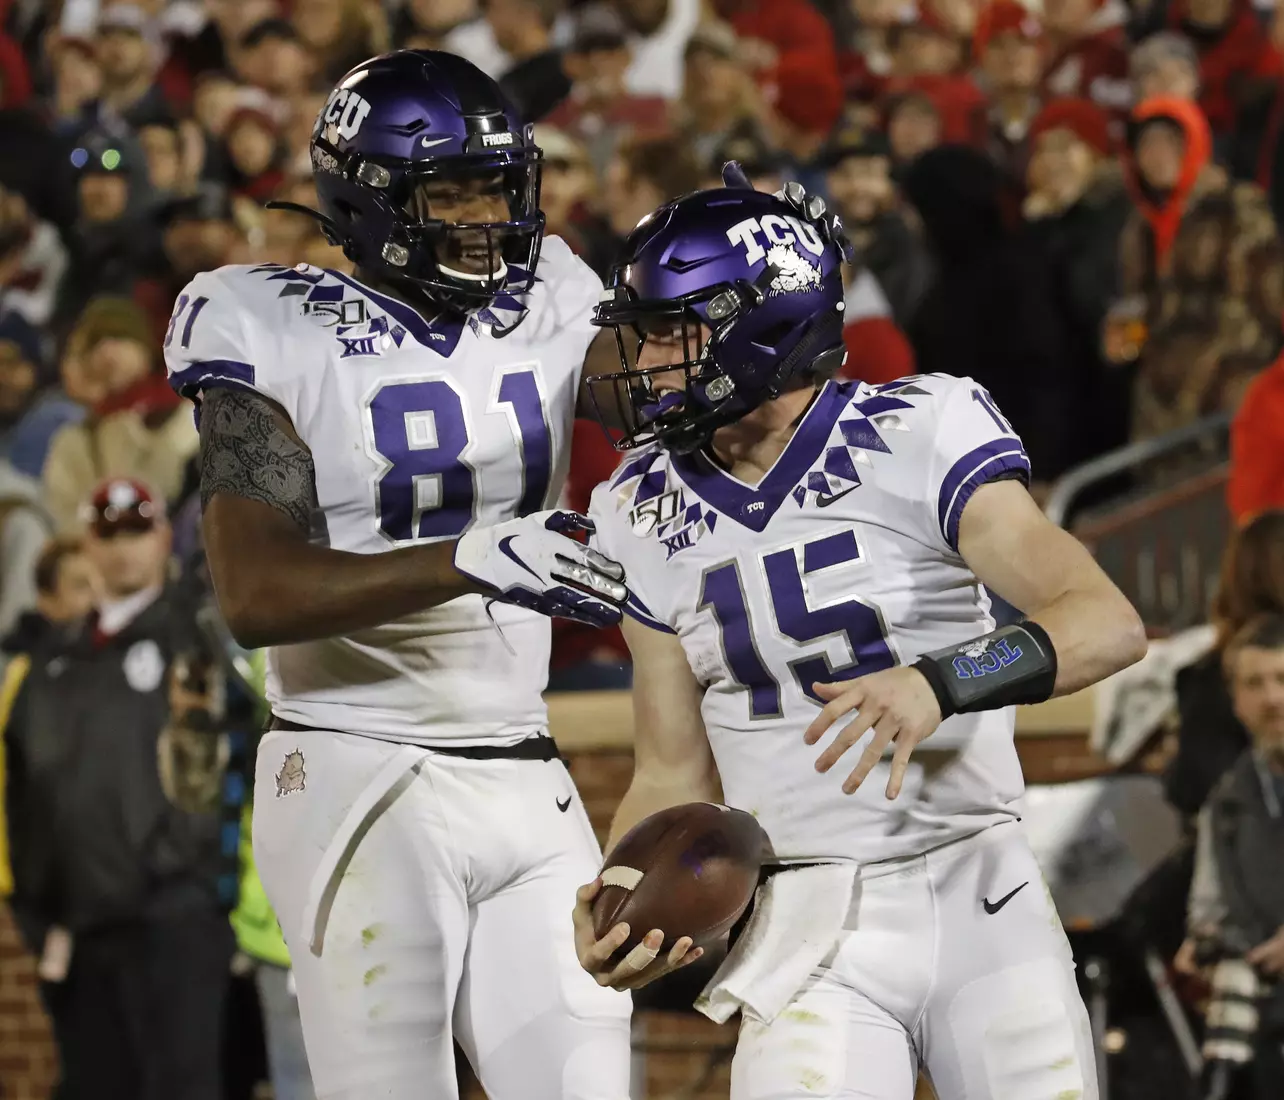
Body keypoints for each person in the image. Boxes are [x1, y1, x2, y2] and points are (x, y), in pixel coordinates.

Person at [571, 170, 1147, 1100]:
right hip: (803, 918)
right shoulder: (637, 506)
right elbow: (669, 767)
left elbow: (1105, 622)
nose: (649, 360)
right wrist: (624, 891)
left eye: (677, 330)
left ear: (764, 325)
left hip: (977, 889)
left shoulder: (920, 428)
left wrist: (941, 681)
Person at [163, 49, 632, 1100]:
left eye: (497, 187)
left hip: (524, 764)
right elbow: (255, 594)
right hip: (355, 761)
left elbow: (661, 405)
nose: (485, 217)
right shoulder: (266, 319)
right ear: (366, 199)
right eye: (450, 191)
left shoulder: (554, 290)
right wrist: (467, 557)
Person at [3, 478, 234, 1100]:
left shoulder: (197, 635)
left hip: (172, 923)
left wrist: (183, 875)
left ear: (162, 537)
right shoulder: (53, 657)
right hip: (79, 928)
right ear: (87, 543)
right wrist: (35, 907)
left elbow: (222, 766)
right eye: (109, 534)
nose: (124, 548)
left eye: (138, 531)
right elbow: (23, 788)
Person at [1175, 614, 1284, 1100]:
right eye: (1255, 683)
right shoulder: (1228, 801)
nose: (1272, 698)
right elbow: (1209, 906)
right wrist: (1206, 945)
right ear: (1236, 701)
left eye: (1282, 678)